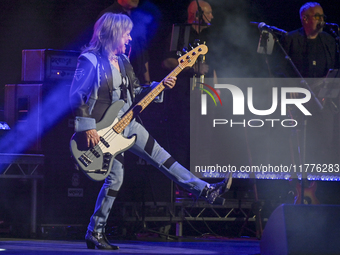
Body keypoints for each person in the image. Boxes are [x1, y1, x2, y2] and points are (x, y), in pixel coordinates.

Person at [69, 13, 231, 250]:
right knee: (116, 178)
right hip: (101, 131)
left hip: (128, 123)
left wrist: (158, 87)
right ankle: (95, 231)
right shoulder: (90, 60)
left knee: (163, 159)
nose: (129, 38)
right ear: (114, 33)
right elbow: (75, 95)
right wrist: (87, 126)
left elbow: (135, 91)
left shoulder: (123, 60)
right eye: (126, 33)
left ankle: (205, 190)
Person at [279, 2, 339, 165]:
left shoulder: (329, 40)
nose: (321, 20)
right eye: (317, 16)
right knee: (301, 143)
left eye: (322, 16)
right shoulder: (290, 39)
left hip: (323, 101)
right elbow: (280, 70)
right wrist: (289, 86)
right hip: (299, 100)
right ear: (304, 19)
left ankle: (322, 178)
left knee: (325, 141)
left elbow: (333, 68)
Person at [98, 0, 151, 85]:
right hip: (117, 80)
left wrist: (147, 81)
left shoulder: (137, 16)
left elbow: (143, 52)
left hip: (137, 79)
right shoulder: (108, 15)